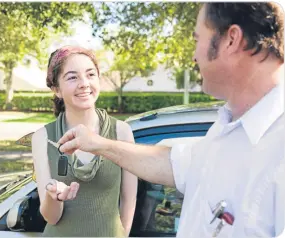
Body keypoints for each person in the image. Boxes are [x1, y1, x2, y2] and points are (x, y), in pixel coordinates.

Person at [57, 3, 284, 237]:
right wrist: (98, 144)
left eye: (197, 39)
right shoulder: (229, 126)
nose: (194, 56)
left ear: (231, 39)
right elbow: (175, 165)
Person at [31, 45, 137, 237]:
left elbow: (129, 200)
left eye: (90, 75)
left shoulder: (121, 131)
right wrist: (55, 197)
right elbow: (51, 217)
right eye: (72, 77)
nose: (84, 83)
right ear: (56, 89)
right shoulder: (43, 138)